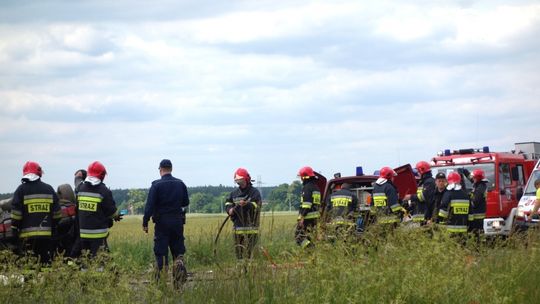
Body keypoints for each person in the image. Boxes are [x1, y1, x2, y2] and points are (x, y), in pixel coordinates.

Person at [143, 159, 189, 286]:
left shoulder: (156, 185)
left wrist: (145, 222)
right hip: (177, 222)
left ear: (160, 169)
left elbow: (149, 206)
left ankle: (160, 285)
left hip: (162, 223)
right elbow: (186, 203)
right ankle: (178, 285)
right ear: (171, 169)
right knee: (178, 253)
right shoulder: (180, 184)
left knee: (161, 255)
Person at [10, 161, 62, 264]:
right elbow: (57, 214)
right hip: (47, 237)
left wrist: (15, 229)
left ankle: (30, 280)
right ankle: (47, 280)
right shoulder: (49, 189)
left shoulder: (21, 190)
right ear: (39, 173)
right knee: (46, 263)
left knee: (29, 264)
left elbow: (16, 216)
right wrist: (52, 226)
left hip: (27, 238)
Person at [76, 161, 118, 257]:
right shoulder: (104, 191)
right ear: (102, 175)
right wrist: (116, 216)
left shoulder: (80, 189)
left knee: (86, 261)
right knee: (101, 262)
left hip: (83, 235)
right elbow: (113, 213)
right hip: (98, 236)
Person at [225, 168, 262, 260]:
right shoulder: (234, 193)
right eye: (238, 181)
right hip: (238, 228)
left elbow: (258, 206)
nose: (239, 183)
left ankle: (250, 269)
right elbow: (228, 204)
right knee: (239, 253)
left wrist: (247, 204)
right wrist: (230, 209)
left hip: (251, 228)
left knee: (250, 253)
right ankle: (240, 269)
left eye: (241, 181)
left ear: (246, 179)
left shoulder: (254, 192)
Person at [295, 166, 321, 248]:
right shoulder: (316, 188)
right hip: (315, 218)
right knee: (309, 236)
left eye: (301, 177)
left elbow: (307, 204)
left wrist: (302, 217)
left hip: (307, 217)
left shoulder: (307, 188)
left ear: (305, 177)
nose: (301, 179)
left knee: (299, 237)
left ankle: (310, 250)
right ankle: (313, 253)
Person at [438, 172, 470, 237]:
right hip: (464, 228)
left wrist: (439, 220)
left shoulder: (448, 193)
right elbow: (471, 213)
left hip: (451, 228)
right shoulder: (466, 195)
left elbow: (444, 209)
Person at [466, 169, 488, 235]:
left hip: (477, 215)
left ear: (478, 178)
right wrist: (465, 172)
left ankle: (479, 244)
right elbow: (471, 179)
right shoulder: (479, 184)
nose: (473, 178)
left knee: (477, 233)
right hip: (478, 214)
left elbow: (475, 202)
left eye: (474, 177)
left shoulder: (480, 187)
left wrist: (468, 199)